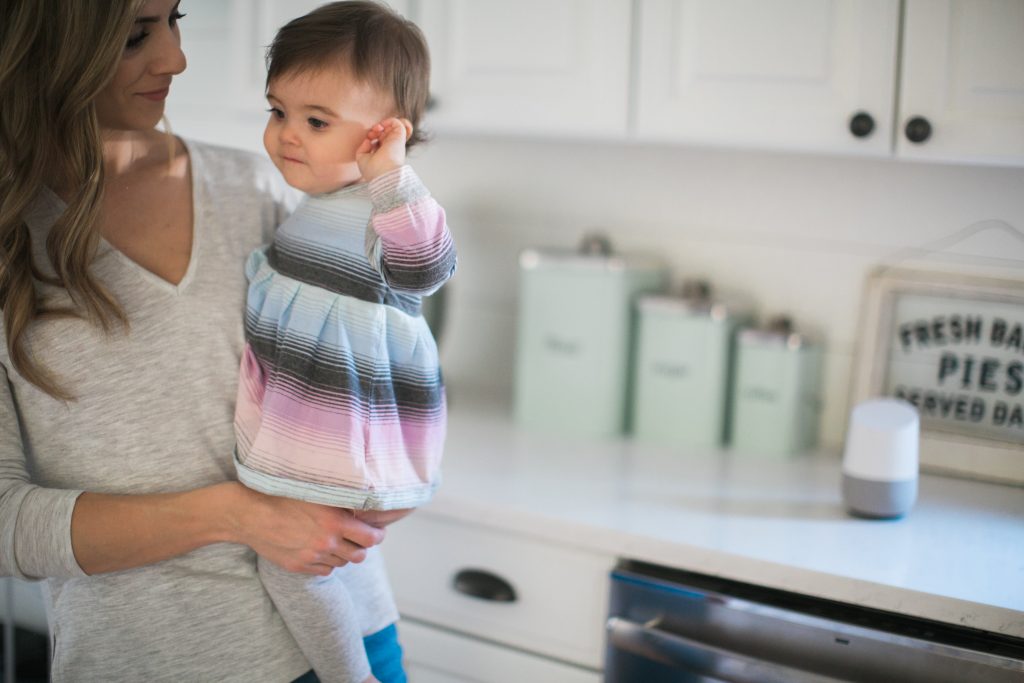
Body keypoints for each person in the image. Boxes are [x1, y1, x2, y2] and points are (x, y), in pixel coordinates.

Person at [0, 1, 406, 680]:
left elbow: (373, 362)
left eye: (174, 18)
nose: (176, 58)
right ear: (43, 44)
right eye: (135, 36)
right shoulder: (14, 240)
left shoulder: (251, 189)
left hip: (353, 634)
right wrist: (237, 515)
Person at [235, 3, 455, 681]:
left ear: (384, 135)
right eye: (279, 111)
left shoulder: (385, 213)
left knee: (290, 565)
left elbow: (429, 264)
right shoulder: (319, 204)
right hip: (325, 435)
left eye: (316, 121)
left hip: (349, 441)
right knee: (333, 566)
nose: (286, 136)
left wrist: (391, 175)